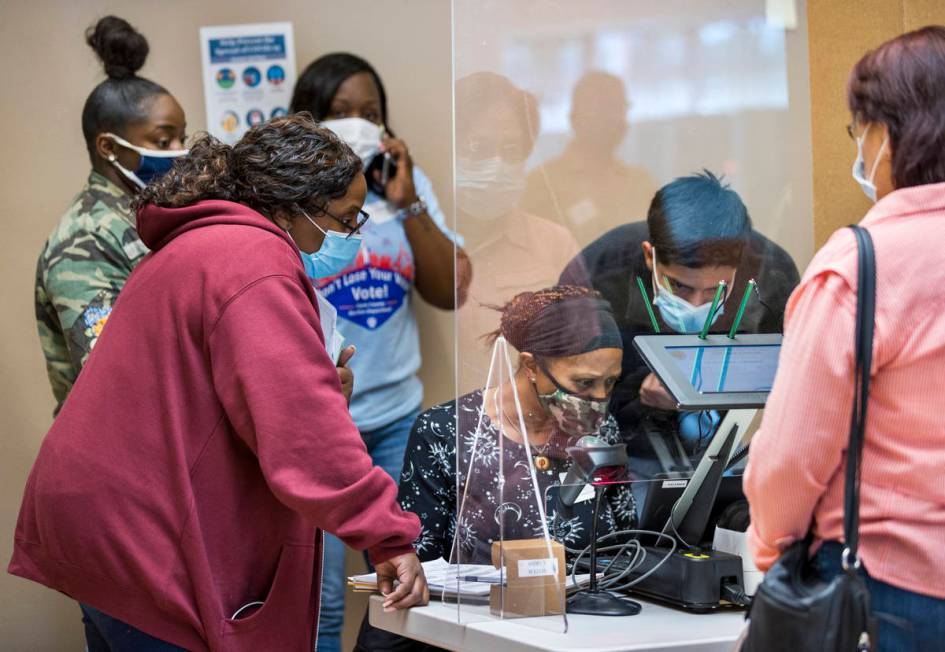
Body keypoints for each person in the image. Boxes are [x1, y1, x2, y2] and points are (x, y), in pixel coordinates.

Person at [9, 115, 428, 652]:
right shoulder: (254, 263)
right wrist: (386, 537)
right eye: (346, 220)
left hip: (100, 524)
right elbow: (301, 426)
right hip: (139, 534)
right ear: (293, 207)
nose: (352, 237)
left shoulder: (200, 244)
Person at [745, 26, 945, 651]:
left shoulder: (861, 266)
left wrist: (769, 551)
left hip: (887, 591)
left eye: (860, 128)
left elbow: (791, 458)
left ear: (889, 133)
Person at [290, 52, 468, 652]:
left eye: (370, 112)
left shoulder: (399, 192)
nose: (358, 123)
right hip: (313, 424)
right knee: (321, 597)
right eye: (340, 113)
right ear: (306, 120)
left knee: (401, 579)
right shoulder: (285, 204)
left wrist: (409, 197)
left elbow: (449, 290)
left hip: (395, 420)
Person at [356, 286, 637, 651]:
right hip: (455, 635)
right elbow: (417, 563)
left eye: (609, 383)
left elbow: (628, 546)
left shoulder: (598, 430)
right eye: (584, 383)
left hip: (571, 633)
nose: (599, 399)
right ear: (532, 364)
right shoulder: (447, 431)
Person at [559, 171, 798, 480]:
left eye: (715, 289)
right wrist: (636, 398)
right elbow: (566, 388)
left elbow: (796, 379)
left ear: (740, 264)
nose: (697, 305)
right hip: (623, 451)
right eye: (680, 287)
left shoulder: (772, 275)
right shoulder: (600, 273)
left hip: (730, 448)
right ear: (649, 256)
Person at [35, 15, 187, 415]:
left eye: (181, 138)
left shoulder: (157, 217)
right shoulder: (82, 241)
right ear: (108, 147)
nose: (178, 150)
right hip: (115, 456)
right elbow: (115, 378)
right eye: (162, 139)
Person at [454, 72, 581, 395]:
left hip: (533, 430)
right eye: (477, 147)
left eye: (510, 149)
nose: (496, 164)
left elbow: (583, 351)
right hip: (438, 432)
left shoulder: (554, 244)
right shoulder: (419, 246)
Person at [522, 71, 658, 246]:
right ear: (574, 117)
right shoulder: (541, 185)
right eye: (601, 109)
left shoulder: (641, 182)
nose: (612, 119)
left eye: (619, 109)